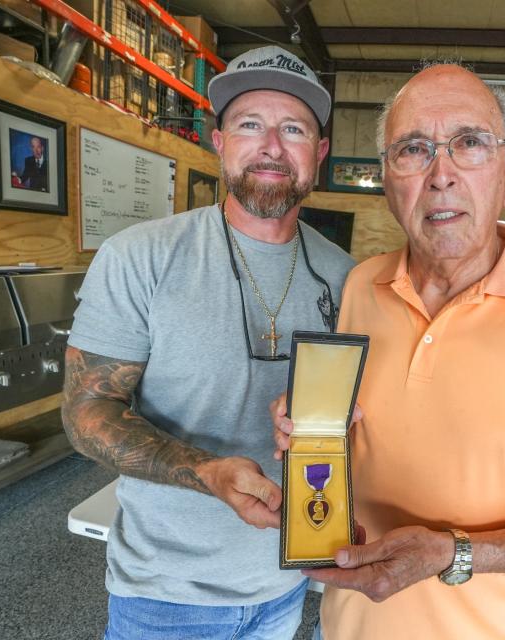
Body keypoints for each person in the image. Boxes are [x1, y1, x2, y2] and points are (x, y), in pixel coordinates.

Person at [273, 63, 505, 639]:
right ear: (387, 180)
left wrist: (456, 552)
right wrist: (310, 427)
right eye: (414, 149)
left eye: (469, 143)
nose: (440, 174)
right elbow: (359, 437)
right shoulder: (360, 288)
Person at [62, 45, 355, 640]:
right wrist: (207, 472)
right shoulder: (141, 256)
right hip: (165, 595)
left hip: (286, 585)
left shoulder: (347, 276)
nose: (272, 145)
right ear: (219, 142)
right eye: (250, 124)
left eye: (293, 128)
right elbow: (87, 410)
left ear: (318, 154)